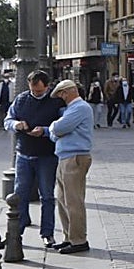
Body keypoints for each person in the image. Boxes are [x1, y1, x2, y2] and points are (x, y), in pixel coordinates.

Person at [4, 70, 65, 247]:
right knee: (20, 194)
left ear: (47, 87)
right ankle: (17, 230)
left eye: (39, 91)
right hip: (24, 153)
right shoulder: (22, 99)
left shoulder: (55, 102)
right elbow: (8, 120)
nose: (35, 93)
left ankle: (47, 233)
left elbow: (62, 125)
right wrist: (17, 124)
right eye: (33, 90)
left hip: (46, 155)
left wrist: (45, 131)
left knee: (46, 195)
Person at [46, 79, 94, 254]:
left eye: (62, 93)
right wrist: (56, 130)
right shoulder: (72, 109)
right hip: (66, 156)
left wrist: (53, 127)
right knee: (63, 200)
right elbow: (57, 133)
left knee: (73, 201)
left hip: (75, 157)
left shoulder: (80, 108)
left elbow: (58, 129)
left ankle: (79, 239)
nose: (61, 97)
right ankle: (69, 237)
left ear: (69, 91)